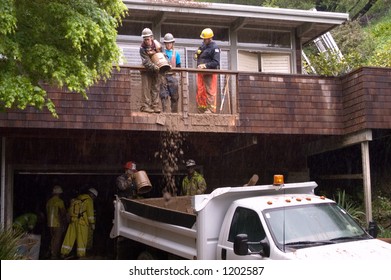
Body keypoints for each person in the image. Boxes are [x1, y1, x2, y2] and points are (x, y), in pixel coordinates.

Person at [61, 187, 98, 259]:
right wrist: (92, 223)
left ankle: (63, 253)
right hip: (82, 223)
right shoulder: (89, 201)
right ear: (92, 195)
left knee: (69, 238)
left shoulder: (77, 199)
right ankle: (80, 255)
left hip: (73, 221)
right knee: (81, 239)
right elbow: (90, 214)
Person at [194, 28, 220, 114]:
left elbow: (216, 62)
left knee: (209, 91)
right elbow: (198, 55)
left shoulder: (215, 48)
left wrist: (205, 65)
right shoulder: (203, 45)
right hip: (201, 73)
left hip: (209, 73)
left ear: (209, 38)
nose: (203, 40)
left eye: (204, 39)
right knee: (201, 90)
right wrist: (196, 54)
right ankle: (201, 109)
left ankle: (211, 110)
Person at [139, 27, 162, 114]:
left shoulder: (157, 45)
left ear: (151, 37)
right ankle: (145, 106)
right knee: (146, 88)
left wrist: (162, 65)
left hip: (156, 69)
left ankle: (155, 105)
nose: (146, 41)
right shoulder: (142, 48)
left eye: (148, 39)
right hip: (146, 70)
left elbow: (162, 55)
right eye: (145, 39)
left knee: (155, 87)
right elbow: (145, 61)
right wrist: (154, 66)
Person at [160, 33, 181, 113]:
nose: (168, 44)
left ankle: (174, 114)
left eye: (170, 43)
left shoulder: (176, 54)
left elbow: (179, 66)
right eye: (167, 43)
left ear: (172, 43)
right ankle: (165, 113)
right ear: (165, 43)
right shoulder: (161, 53)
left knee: (175, 97)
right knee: (163, 96)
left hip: (173, 76)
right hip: (163, 76)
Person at [46, 185, 67, 259]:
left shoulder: (49, 201)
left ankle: (50, 252)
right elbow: (63, 213)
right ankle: (54, 256)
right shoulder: (59, 201)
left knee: (53, 239)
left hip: (50, 224)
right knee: (57, 240)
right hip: (57, 223)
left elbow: (47, 212)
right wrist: (64, 222)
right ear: (59, 193)